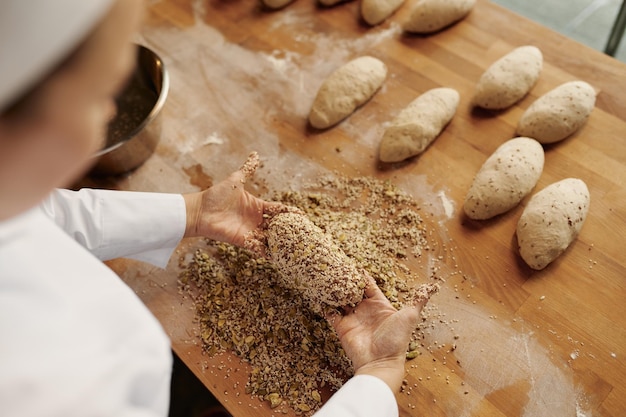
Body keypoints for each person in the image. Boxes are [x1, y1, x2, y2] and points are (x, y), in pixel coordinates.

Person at [0, 1, 427, 416]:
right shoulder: (55, 381)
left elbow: (35, 221)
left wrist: (192, 213)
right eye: (102, 92)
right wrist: (376, 378)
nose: (111, 110)